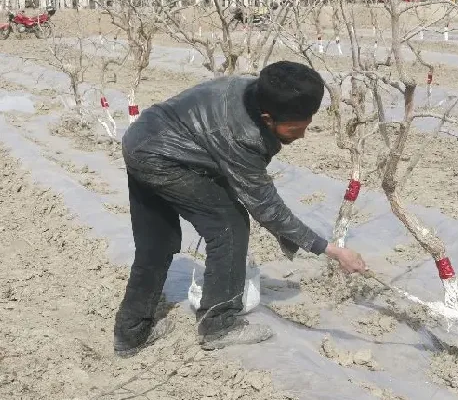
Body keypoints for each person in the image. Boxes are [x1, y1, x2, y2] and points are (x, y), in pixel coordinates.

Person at [114, 61, 368, 357]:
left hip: (142, 139)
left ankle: (130, 334)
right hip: (164, 159)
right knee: (229, 225)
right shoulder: (244, 136)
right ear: (267, 118)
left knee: (156, 245)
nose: (303, 135)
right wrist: (331, 250)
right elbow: (265, 205)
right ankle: (218, 325)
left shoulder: (255, 90)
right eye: (297, 128)